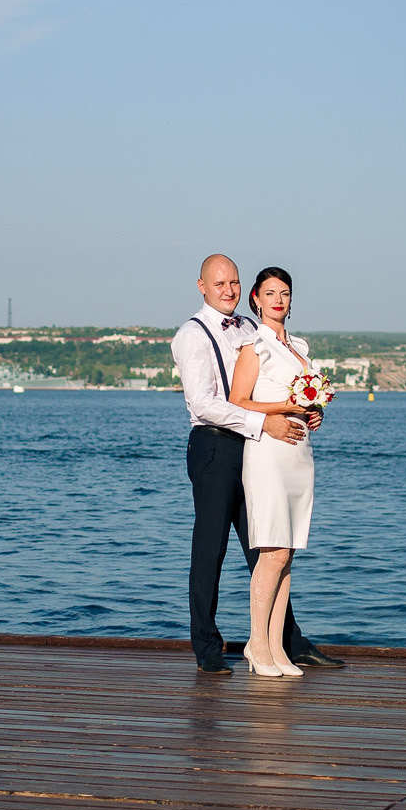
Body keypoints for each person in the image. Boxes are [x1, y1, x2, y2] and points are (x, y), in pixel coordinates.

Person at [169, 253, 341, 676]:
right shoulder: (191, 335)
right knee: (211, 547)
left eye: (234, 283)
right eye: (220, 283)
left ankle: (286, 640)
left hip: (257, 444)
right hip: (214, 445)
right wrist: (264, 420)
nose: (228, 290)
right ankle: (207, 645)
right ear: (202, 286)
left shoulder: (252, 328)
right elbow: (205, 404)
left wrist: (306, 411)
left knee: (270, 546)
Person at [229, 265, 319, 678]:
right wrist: (283, 409)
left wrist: (313, 413)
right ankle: (256, 644)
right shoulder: (255, 347)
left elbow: (305, 397)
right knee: (272, 552)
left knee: (288, 555)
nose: (279, 300)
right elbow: (238, 399)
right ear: (256, 299)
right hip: (267, 453)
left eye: (285, 292)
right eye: (270, 293)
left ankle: (278, 648)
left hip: (299, 454)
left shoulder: (299, 346)